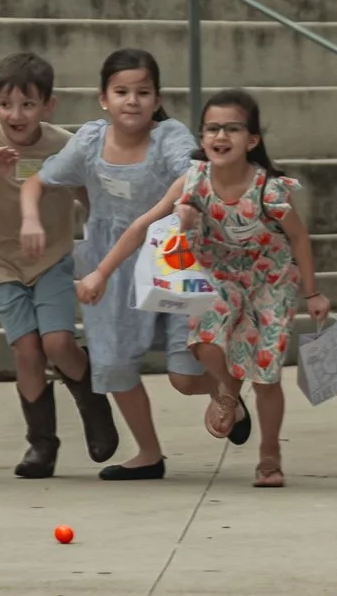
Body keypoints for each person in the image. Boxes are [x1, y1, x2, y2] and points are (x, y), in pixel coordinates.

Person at [78, 89, 329, 489]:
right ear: (202, 136)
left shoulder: (269, 188)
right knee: (203, 342)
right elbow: (142, 225)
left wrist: (313, 293)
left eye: (232, 128)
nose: (220, 136)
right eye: (212, 128)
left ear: (252, 140)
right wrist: (100, 274)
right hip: (220, 277)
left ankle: (269, 456)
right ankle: (228, 388)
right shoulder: (193, 181)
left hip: (271, 282)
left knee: (265, 376)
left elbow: (299, 238)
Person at [27, 48, 208, 481]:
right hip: (109, 263)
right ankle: (148, 453)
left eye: (143, 92)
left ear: (157, 98)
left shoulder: (170, 137)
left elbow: (196, 173)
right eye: (122, 91)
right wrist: (31, 216)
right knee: (113, 363)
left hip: (172, 258)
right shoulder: (89, 141)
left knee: (185, 374)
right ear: (103, 98)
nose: (132, 100)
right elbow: (39, 179)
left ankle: (225, 392)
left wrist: (185, 208)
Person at [0, 51, 119, 477]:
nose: (16, 114)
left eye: (27, 104)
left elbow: (87, 192)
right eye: (6, 104)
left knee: (58, 344)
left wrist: (103, 229)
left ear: (48, 105)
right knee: (27, 351)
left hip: (52, 257)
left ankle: (91, 399)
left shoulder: (64, 143)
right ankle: (41, 444)